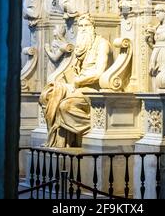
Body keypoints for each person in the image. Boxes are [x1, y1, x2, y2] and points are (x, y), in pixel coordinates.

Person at [39, 14, 112, 148]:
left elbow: (99, 73)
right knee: (48, 94)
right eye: (81, 26)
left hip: (93, 90)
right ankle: (54, 140)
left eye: (86, 26)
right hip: (77, 87)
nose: (83, 29)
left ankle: (94, 125)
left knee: (64, 106)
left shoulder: (102, 44)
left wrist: (79, 81)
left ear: (93, 27)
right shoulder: (81, 47)